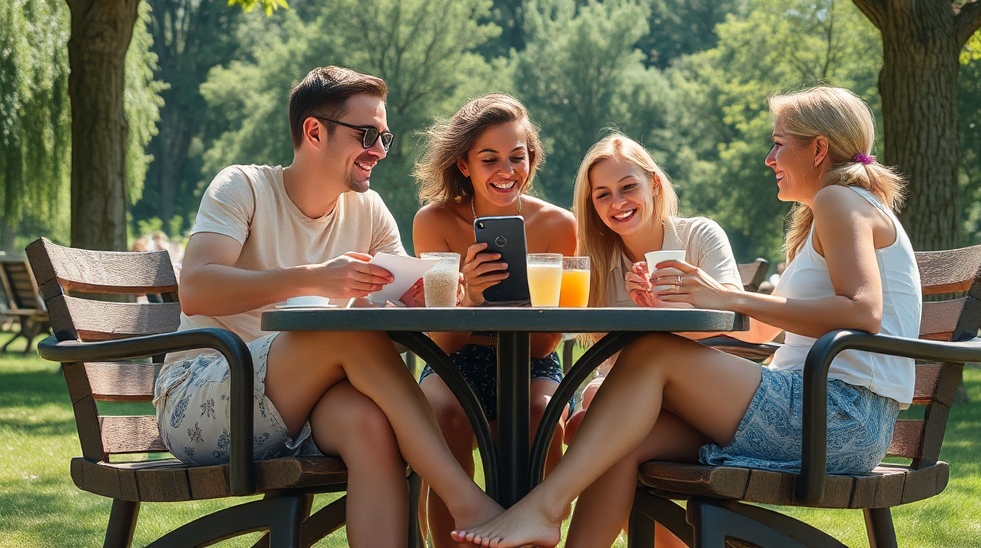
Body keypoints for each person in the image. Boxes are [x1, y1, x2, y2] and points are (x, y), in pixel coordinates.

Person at [451, 85, 922, 548]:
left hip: (838, 420)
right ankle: (551, 518)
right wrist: (707, 306)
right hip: (816, 410)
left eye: (778, 144)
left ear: (818, 149)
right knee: (620, 444)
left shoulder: (839, 200)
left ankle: (544, 508)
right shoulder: (837, 208)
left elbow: (863, 312)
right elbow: (762, 330)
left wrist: (726, 297)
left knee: (652, 351)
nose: (769, 158)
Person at [153, 66, 501, 547]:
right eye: (367, 134)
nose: (379, 150)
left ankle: (461, 503)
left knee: (372, 426)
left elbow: (423, 332)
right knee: (342, 330)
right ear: (314, 131)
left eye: (384, 137)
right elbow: (196, 288)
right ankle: (466, 500)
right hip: (205, 397)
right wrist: (318, 277)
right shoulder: (243, 187)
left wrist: (444, 301)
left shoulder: (370, 210)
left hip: (308, 407)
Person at [560, 134, 743, 547]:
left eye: (628, 187)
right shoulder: (598, 264)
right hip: (638, 406)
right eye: (602, 194)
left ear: (654, 184)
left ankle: (548, 511)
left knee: (597, 431)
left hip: (713, 406)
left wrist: (662, 312)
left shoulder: (698, 236)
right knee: (590, 423)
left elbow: (734, 319)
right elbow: (612, 358)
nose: (617, 203)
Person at [412, 93, 576, 548]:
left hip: (529, 359)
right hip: (456, 359)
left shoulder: (559, 226)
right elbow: (440, 344)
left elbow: (544, 346)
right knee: (444, 416)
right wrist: (471, 299)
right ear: (464, 165)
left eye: (517, 157)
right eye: (490, 159)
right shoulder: (435, 222)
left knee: (542, 416)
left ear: (531, 159)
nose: (507, 171)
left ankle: (529, 536)